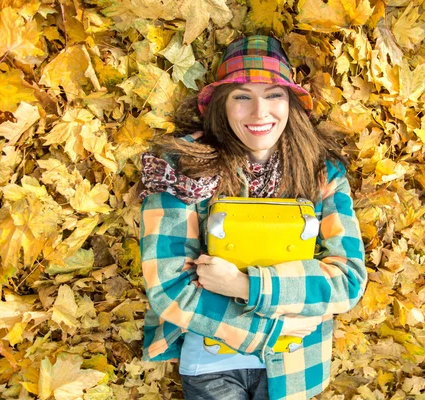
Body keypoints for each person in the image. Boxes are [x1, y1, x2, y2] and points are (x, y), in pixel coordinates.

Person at [139, 35, 367, 400]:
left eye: (273, 95)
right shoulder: (183, 168)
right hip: (211, 363)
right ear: (221, 106)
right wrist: (272, 330)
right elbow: (168, 287)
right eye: (242, 96)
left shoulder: (323, 174)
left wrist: (246, 287)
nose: (260, 112)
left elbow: (347, 281)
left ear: (290, 103)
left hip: (297, 366)